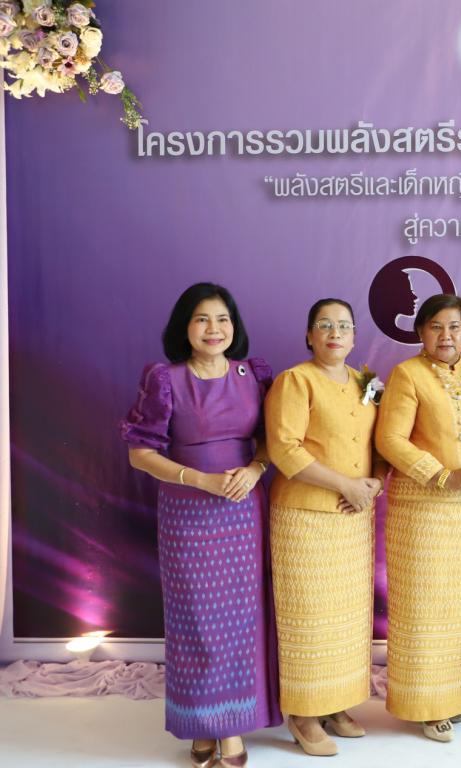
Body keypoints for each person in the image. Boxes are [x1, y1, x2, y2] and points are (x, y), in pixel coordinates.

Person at [120, 282, 281, 768]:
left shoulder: (253, 374)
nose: (214, 329)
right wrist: (200, 480)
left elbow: (271, 438)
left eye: (223, 319)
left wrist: (255, 468)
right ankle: (201, 723)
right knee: (196, 622)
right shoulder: (165, 379)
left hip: (243, 511)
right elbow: (141, 453)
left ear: (235, 326)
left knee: (241, 621)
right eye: (202, 319)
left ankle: (228, 726)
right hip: (188, 514)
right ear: (184, 328)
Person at [375, 293, 461, 742]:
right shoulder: (408, 374)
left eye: (454, 327)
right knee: (425, 606)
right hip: (423, 510)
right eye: (435, 326)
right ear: (421, 332)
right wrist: (441, 475)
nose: (446, 335)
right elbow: (390, 439)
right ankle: (428, 705)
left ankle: (458, 695)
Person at [265, 299, 385, 756]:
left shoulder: (365, 381)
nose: (335, 333)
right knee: (310, 618)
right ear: (309, 335)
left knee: (347, 618)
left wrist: (374, 483)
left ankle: (335, 703)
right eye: (325, 325)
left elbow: (379, 442)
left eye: (344, 326)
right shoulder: (295, 380)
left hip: (353, 517)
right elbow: (284, 449)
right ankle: (303, 713)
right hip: (305, 516)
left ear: (354, 336)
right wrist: (345, 484)